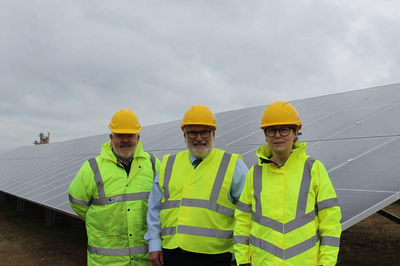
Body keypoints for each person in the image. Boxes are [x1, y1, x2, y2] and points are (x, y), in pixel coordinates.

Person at [234, 101, 342, 266]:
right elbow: (243, 221)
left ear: (296, 132)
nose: (277, 135)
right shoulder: (254, 173)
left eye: (284, 129)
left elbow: (330, 221)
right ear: (265, 135)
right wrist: (242, 261)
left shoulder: (313, 169)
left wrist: (327, 263)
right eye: (271, 130)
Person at [145, 105, 249, 266]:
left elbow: (248, 212)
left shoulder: (233, 165)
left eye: (205, 132)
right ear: (184, 135)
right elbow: (154, 209)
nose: (198, 137)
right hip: (172, 255)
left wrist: (244, 253)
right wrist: (154, 244)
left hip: (217, 257)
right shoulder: (169, 164)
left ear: (214, 134)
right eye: (192, 132)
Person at [68, 109, 161, 266]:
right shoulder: (92, 168)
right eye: (119, 135)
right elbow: (77, 203)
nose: (125, 140)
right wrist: (101, 222)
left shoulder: (153, 164)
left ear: (138, 137)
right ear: (111, 138)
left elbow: (162, 204)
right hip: (106, 261)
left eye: (130, 135)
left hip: (144, 260)